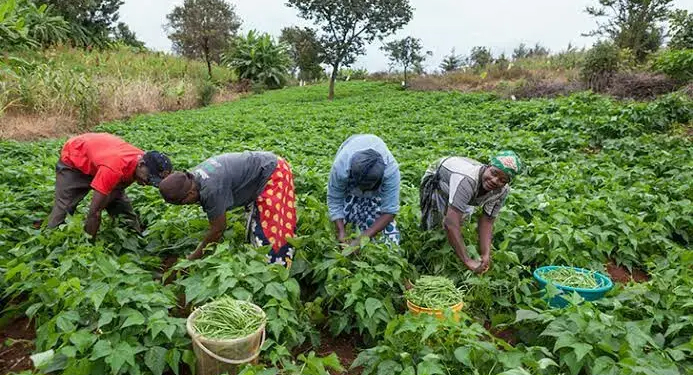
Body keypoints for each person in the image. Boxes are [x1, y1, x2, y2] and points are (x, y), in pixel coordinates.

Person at [158, 152, 297, 268]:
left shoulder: (210, 190)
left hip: (274, 171)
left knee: (271, 229)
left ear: (190, 194)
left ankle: (278, 270)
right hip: (262, 168)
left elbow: (218, 229)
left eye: (184, 203)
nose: (188, 205)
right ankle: (259, 258)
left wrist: (193, 258)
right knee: (256, 222)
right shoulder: (192, 178)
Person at [47, 132, 173, 237]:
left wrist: (108, 201)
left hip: (100, 156)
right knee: (65, 206)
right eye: (149, 179)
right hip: (76, 158)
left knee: (122, 208)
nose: (147, 183)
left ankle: (133, 239)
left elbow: (115, 192)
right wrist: (90, 245)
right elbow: (94, 213)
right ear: (140, 165)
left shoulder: (141, 164)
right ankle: (52, 237)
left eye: (152, 182)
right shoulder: (115, 168)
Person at [419, 151, 523, 274]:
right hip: (440, 179)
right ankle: (428, 256)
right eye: (493, 173)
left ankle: (455, 250)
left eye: (502, 180)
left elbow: (488, 220)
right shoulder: (467, 180)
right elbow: (450, 223)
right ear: (487, 166)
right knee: (434, 224)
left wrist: (485, 253)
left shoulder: (502, 191)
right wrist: (467, 260)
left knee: (461, 224)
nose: (495, 180)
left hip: (467, 188)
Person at [327, 134, 401, 246]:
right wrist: (341, 232)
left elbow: (389, 211)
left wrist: (362, 239)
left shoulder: (390, 172)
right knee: (347, 221)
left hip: (378, 182)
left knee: (388, 241)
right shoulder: (341, 167)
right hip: (350, 165)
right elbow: (335, 198)